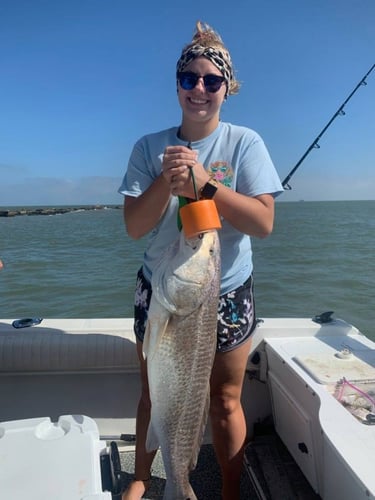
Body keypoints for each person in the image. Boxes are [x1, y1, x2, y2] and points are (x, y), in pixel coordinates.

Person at [118, 21, 283, 500]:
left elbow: (263, 223)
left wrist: (208, 185)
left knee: (225, 399)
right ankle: (144, 477)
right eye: (189, 78)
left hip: (226, 288)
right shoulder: (150, 147)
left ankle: (228, 489)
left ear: (226, 88)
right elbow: (134, 226)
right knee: (154, 392)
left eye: (212, 80)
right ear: (177, 86)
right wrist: (164, 183)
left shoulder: (245, 142)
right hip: (162, 288)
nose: (199, 89)